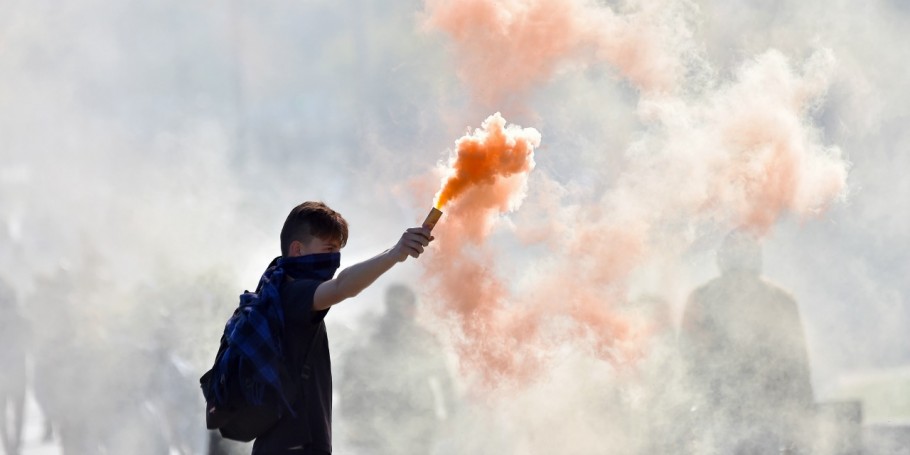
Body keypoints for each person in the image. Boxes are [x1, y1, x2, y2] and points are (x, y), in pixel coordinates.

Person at [251, 201, 434, 455]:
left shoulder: (277, 295)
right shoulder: (291, 295)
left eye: (337, 251)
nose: (333, 259)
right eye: (328, 249)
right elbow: (342, 286)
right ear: (297, 250)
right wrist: (395, 253)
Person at [679, 229, 815, 454]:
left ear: (721, 260)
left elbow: (685, 363)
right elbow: (799, 370)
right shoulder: (780, 300)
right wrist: (801, 425)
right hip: (759, 415)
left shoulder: (701, 298)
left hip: (725, 415)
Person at [338, 284, 456, 454]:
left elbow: (444, 379)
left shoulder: (373, 337)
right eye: (410, 305)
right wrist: (351, 418)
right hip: (390, 423)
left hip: (408, 423)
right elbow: (352, 380)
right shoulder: (375, 339)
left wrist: (350, 418)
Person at [0, 278, 29, 455]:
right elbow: (33, 344)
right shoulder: (22, 320)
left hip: (1, 373)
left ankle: (7, 443)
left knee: (1, 413)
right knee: (19, 412)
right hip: (18, 372)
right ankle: (16, 445)